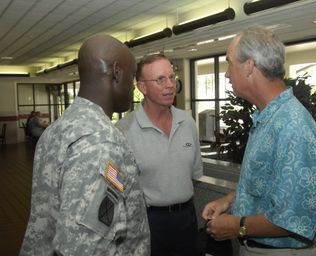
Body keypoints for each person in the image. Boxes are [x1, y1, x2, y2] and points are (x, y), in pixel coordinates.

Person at [20, 34, 150, 255]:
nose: (133, 86)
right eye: (131, 76)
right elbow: (83, 247)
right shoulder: (100, 141)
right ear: (117, 73)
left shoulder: (57, 128)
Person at [202, 26, 316, 256]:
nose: (227, 74)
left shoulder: (293, 127)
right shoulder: (268, 118)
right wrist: (230, 200)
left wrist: (235, 225)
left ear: (249, 66)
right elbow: (265, 187)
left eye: (229, 63)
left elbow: (294, 219)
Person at [116, 53, 203, 256]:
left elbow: (194, 173)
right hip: (148, 222)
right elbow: (116, 185)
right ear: (142, 87)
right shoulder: (123, 130)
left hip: (187, 220)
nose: (170, 85)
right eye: (160, 79)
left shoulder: (187, 122)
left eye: (172, 77)